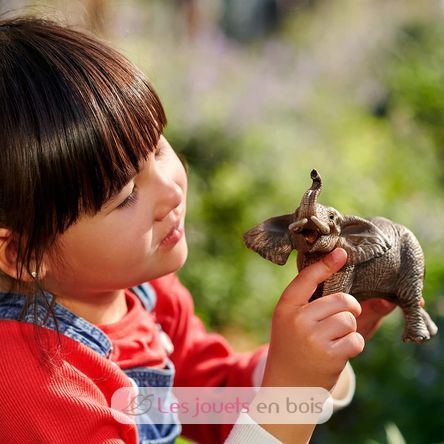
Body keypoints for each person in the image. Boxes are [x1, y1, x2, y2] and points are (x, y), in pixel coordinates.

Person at [0, 16, 395, 443]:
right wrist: (292, 388)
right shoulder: (30, 382)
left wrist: (311, 364)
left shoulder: (149, 297)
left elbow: (211, 398)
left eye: (159, 147)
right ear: (25, 253)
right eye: (127, 194)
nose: (171, 191)